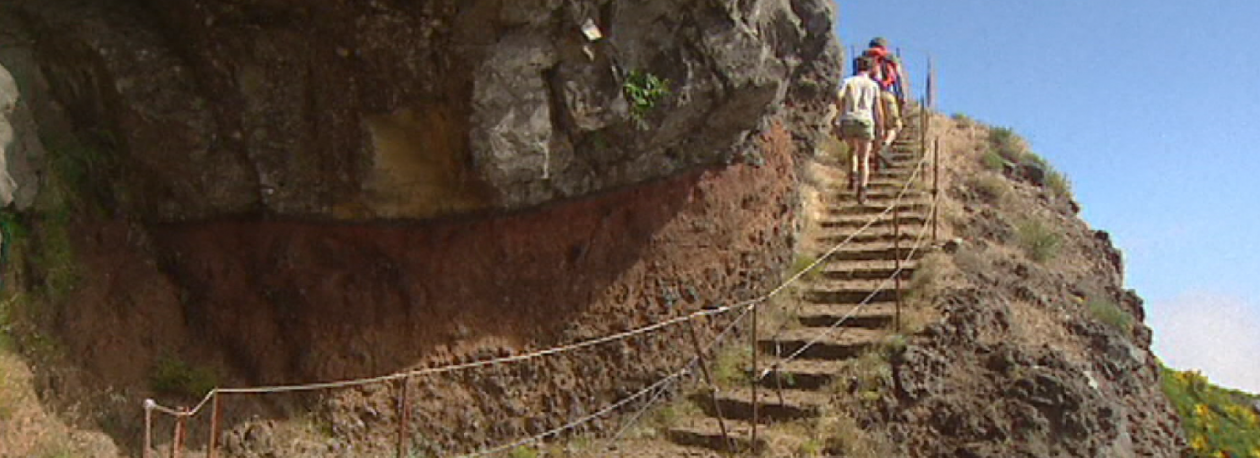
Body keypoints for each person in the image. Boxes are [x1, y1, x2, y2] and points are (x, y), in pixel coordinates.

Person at [834, 56, 884, 205]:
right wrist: (880, 128)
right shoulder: (873, 85)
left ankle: (852, 175)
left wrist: (841, 110)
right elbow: (878, 110)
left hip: (848, 119)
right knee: (864, 158)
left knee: (852, 149)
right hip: (866, 120)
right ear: (869, 69)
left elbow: (838, 96)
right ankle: (862, 190)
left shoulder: (848, 81)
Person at [857, 37, 905, 166]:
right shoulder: (890, 58)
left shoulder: (865, 58)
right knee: (895, 125)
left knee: (877, 127)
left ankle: (875, 158)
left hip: (869, 95)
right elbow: (898, 78)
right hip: (886, 93)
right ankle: (884, 147)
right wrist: (901, 96)